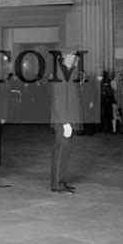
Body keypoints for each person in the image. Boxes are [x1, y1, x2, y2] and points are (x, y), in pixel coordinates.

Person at [50, 46, 81, 194]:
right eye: (74, 56)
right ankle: (57, 183)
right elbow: (58, 100)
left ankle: (61, 180)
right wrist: (65, 122)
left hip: (68, 118)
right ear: (65, 58)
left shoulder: (68, 73)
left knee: (65, 152)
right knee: (61, 151)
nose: (77, 59)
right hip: (63, 120)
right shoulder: (61, 74)